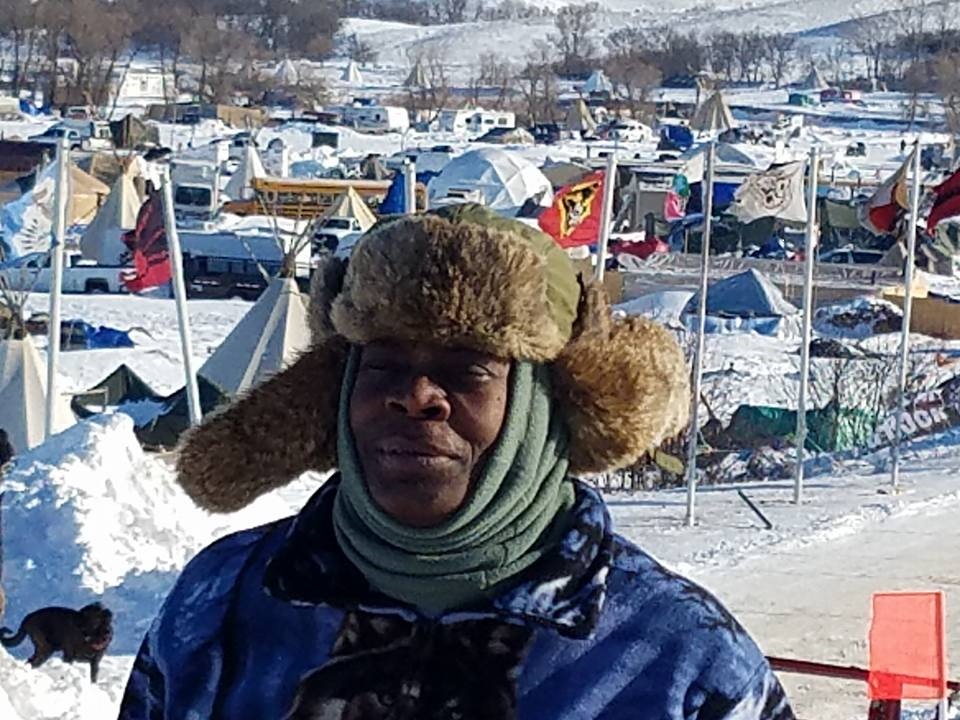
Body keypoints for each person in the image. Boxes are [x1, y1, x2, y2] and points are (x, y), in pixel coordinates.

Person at [119, 205, 794, 720]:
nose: (415, 398)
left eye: (465, 370)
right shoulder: (222, 604)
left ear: (539, 404)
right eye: (383, 364)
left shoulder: (677, 657)